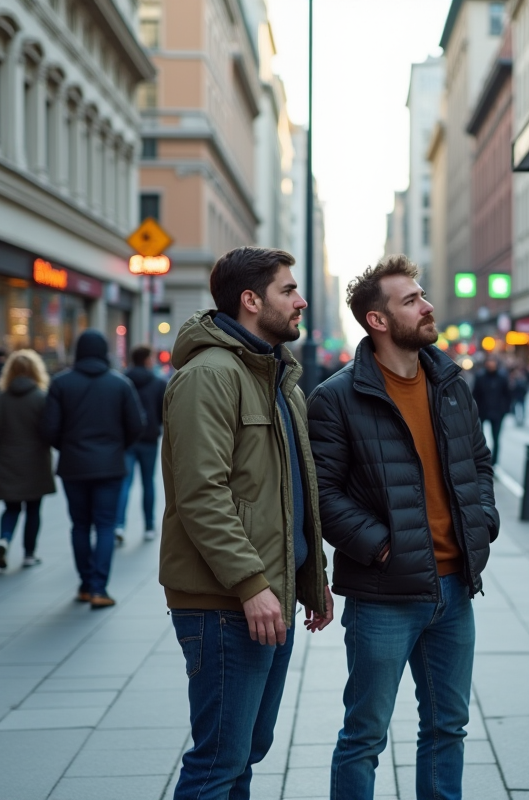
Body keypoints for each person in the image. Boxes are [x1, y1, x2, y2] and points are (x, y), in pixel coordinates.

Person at [307, 254, 498, 800]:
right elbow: (322, 494)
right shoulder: (337, 397)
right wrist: (383, 547)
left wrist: (482, 523)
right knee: (365, 735)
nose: (427, 305)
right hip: (384, 596)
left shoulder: (451, 384)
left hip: (455, 587)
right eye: (411, 300)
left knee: (447, 728)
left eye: (423, 295)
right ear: (379, 320)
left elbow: (479, 464)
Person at [160, 246, 333, 800]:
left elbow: (287, 492)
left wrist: (312, 581)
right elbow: (200, 494)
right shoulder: (212, 375)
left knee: (245, 753)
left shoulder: (273, 375)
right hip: (226, 604)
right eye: (289, 290)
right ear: (251, 300)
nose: (301, 301)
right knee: (218, 762)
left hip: (265, 596)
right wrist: (252, 584)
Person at [43, 331, 145, 609]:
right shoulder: (119, 384)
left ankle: (85, 585)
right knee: (105, 525)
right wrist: (117, 447)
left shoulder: (61, 384)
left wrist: (68, 447)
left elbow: (49, 429)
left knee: (79, 525)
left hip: (74, 465)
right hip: (110, 465)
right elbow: (136, 425)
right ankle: (100, 588)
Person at [0, 350, 56, 569]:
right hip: (36, 461)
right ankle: (29, 554)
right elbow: (49, 430)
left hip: (8, 460)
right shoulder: (41, 398)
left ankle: (4, 539)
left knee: (11, 508)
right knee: (33, 509)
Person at [115, 344, 168, 545]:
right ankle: (148, 526)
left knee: (124, 484)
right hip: (149, 440)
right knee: (148, 483)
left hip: (127, 440)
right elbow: (164, 412)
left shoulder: (122, 381)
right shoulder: (157, 383)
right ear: (146, 360)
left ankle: (119, 524)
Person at [471, 356, 512, 465]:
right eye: (489, 362)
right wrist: (475, 410)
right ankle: (482, 459)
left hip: (498, 412)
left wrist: (505, 410)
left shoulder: (502, 377)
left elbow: (508, 394)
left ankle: (494, 462)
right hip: (483, 411)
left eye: (493, 362)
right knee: (480, 438)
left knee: (496, 438)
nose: (491, 364)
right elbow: (475, 394)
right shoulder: (480, 377)